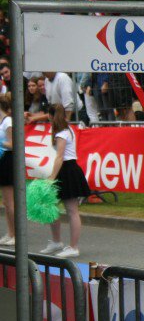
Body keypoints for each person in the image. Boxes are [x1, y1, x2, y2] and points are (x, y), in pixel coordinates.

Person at [39, 104, 91, 258]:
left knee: (72, 210)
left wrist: (51, 178)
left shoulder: (62, 132)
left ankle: (73, 247)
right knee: (51, 206)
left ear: (51, 116)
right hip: (66, 170)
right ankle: (56, 241)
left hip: (67, 170)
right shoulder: (66, 130)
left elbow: (60, 156)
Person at [0, 93, 15, 246]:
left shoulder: (8, 121)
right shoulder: (2, 122)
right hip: (3, 160)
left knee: (10, 202)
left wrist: (1, 143)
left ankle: (15, 234)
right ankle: (10, 232)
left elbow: (13, 144)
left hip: (8, 160)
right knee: (6, 201)